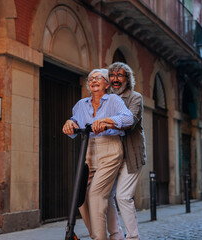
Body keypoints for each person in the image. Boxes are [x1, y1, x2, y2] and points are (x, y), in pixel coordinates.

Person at [62, 68, 134, 240]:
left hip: (109, 150)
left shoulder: (114, 100)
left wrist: (107, 122)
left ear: (106, 84)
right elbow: (75, 123)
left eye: (98, 78)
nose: (93, 80)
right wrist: (69, 123)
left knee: (96, 195)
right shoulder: (81, 105)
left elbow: (128, 118)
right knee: (82, 199)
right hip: (88, 151)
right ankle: (100, 236)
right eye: (91, 78)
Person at [106, 62, 147, 240]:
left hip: (131, 155)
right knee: (104, 195)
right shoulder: (105, 98)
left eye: (120, 75)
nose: (115, 79)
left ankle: (132, 237)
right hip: (110, 156)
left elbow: (130, 122)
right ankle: (116, 235)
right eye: (112, 76)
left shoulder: (135, 98)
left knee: (123, 197)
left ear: (127, 79)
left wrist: (105, 121)